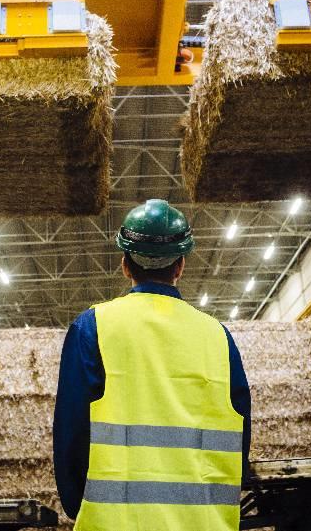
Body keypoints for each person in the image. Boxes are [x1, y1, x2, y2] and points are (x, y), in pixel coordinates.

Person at [53, 198, 252, 531]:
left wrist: (78, 504)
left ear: (125, 264)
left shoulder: (93, 328)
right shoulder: (218, 337)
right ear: (180, 266)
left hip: (114, 523)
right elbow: (240, 432)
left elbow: (71, 432)